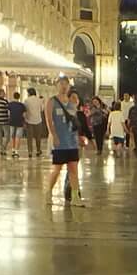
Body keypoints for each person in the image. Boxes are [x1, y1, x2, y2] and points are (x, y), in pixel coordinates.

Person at [46, 76, 84, 205]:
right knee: (57, 169)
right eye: (61, 84)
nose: (63, 86)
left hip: (71, 140)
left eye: (66, 84)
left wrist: (79, 137)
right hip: (59, 141)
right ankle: (48, 192)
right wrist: (54, 135)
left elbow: (75, 122)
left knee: (73, 168)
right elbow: (49, 120)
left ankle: (75, 197)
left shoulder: (72, 103)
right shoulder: (52, 101)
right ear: (57, 85)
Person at [22, 86, 46, 157]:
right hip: (38, 120)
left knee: (29, 138)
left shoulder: (26, 100)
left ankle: (30, 152)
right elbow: (42, 109)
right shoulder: (39, 100)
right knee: (38, 137)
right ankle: (38, 150)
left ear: (29, 93)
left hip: (29, 121)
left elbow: (25, 110)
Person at [7, 90, 26, 159]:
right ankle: (16, 151)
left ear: (13, 96)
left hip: (12, 122)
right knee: (18, 137)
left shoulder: (10, 104)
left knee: (12, 136)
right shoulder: (22, 105)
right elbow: (24, 115)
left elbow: (8, 114)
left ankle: (13, 149)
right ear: (19, 97)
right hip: (20, 122)